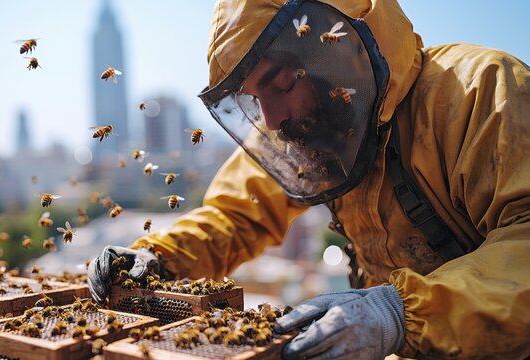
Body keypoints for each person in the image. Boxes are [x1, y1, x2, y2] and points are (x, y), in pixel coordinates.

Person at [88, 0, 530, 358]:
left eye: (279, 84)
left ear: (333, 49)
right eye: (254, 99)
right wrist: (159, 259)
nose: (273, 121)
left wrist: (403, 313)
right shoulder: (308, 131)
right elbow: (234, 215)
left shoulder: (483, 89)